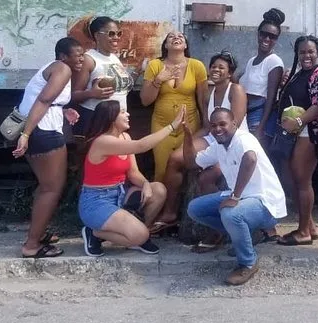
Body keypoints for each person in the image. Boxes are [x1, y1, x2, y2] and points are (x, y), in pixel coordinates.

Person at [184, 108, 287, 285]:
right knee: (195, 208)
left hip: (264, 202)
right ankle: (247, 237)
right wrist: (187, 136)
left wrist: (235, 196)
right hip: (243, 200)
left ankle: (248, 263)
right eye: (213, 125)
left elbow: (250, 159)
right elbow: (191, 162)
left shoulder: (243, 139)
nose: (217, 129)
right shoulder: (219, 146)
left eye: (222, 124)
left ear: (234, 124)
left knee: (230, 214)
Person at [156, 52, 248, 238]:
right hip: (214, 138)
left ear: (230, 73)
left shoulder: (235, 90)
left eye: (221, 67)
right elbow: (207, 127)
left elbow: (234, 127)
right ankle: (170, 212)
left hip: (233, 142)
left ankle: (220, 225)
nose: (216, 70)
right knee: (175, 158)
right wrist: (187, 141)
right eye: (213, 66)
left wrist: (218, 155)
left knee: (208, 176)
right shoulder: (209, 93)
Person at [79, 101, 186, 257]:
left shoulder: (125, 137)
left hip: (121, 193)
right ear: (111, 118)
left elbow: (133, 172)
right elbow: (141, 146)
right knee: (141, 235)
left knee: (158, 190)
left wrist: (146, 184)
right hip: (97, 201)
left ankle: (137, 235)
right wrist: (172, 126)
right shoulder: (103, 141)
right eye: (123, 112)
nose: (128, 114)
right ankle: (94, 233)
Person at [13, 37, 84, 259]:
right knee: (52, 189)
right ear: (64, 56)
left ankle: (39, 232)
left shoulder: (55, 68)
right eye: (78, 55)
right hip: (43, 131)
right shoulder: (63, 69)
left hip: (41, 129)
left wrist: (64, 111)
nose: (82, 59)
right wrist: (25, 135)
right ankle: (32, 246)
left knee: (45, 187)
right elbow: (43, 101)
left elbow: (47, 101)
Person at [140, 31, 208, 232]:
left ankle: (181, 216)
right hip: (162, 126)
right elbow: (145, 100)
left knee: (187, 169)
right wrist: (158, 80)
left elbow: (203, 99)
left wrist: (207, 125)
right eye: (171, 37)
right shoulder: (155, 65)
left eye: (180, 36)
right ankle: (158, 216)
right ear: (165, 45)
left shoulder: (197, 66)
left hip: (190, 126)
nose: (176, 38)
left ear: (185, 45)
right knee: (161, 170)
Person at [273, 35, 318, 246]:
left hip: (309, 132)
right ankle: (310, 227)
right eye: (302, 52)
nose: (306, 56)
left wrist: (298, 121)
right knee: (292, 178)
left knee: (302, 180)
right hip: (295, 132)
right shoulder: (299, 74)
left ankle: (304, 232)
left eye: (310, 52)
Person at [71, 16, 136, 136]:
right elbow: (74, 95)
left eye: (118, 33)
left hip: (117, 120)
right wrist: (91, 93)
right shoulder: (89, 59)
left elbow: (122, 90)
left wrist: (139, 71)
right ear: (97, 36)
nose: (116, 37)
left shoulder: (114, 58)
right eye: (111, 34)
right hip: (96, 120)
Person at [238, 8, 285, 143]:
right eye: (264, 34)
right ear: (258, 34)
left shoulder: (274, 62)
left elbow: (271, 98)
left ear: (276, 39)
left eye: (272, 36)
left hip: (258, 116)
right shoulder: (251, 61)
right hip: (245, 113)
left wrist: (261, 127)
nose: (267, 39)